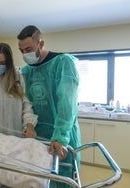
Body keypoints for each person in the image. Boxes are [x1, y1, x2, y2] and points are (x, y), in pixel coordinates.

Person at [17, 25, 81, 187]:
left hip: (61, 133)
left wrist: (60, 137)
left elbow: (67, 103)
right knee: (39, 180)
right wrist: (28, 125)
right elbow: (27, 103)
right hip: (37, 135)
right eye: (22, 51)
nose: (25, 54)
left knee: (63, 179)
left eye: (29, 49)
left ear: (41, 44)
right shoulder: (26, 71)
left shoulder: (63, 63)